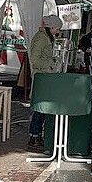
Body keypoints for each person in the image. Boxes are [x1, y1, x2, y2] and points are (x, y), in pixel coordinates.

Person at [27, 15, 63, 150]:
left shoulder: (46, 37)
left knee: (42, 109)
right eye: (57, 29)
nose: (57, 32)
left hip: (44, 77)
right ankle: (34, 136)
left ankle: (37, 135)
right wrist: (51, 64)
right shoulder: (41, 38)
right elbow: (35, 60)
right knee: (39, 108)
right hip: (40, 77)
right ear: (51, 27)